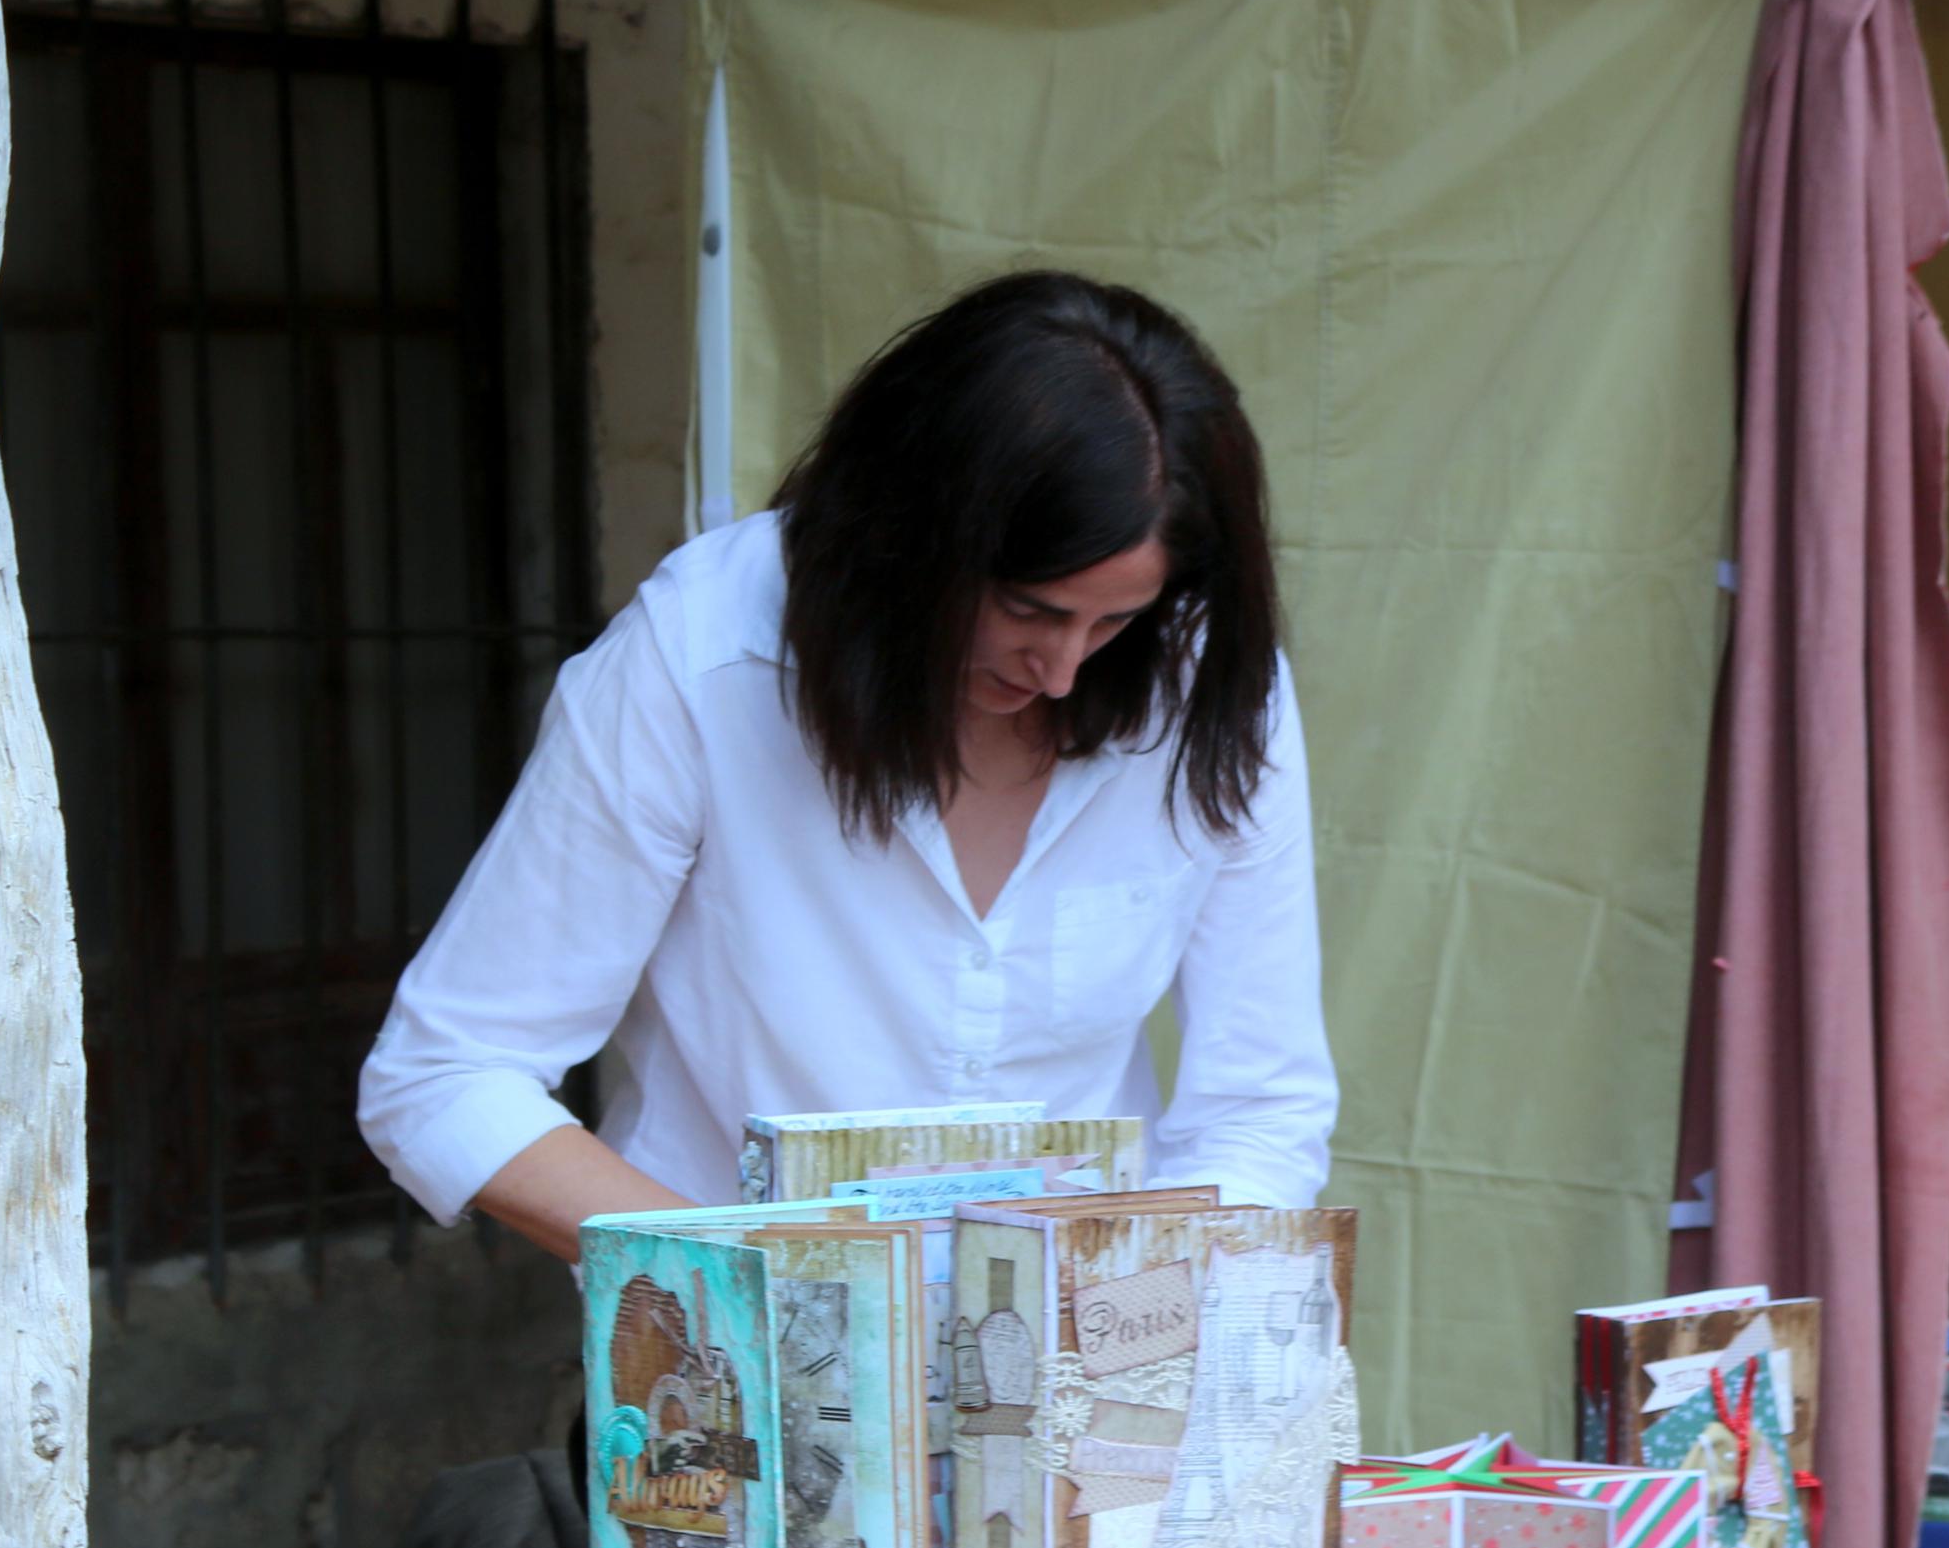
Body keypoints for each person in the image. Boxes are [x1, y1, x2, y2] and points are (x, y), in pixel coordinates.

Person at [359, 269, 1337, 1245]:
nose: (1062, 669)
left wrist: (1144, 1322)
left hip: (1083, 1365)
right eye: (1027, 610)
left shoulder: (1203, 676)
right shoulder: (701, 660)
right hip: (728, 1364)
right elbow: (448, 1074)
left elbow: (1257, 1108)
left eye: (1112, 621)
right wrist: (751, 1281)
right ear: (909, 538)